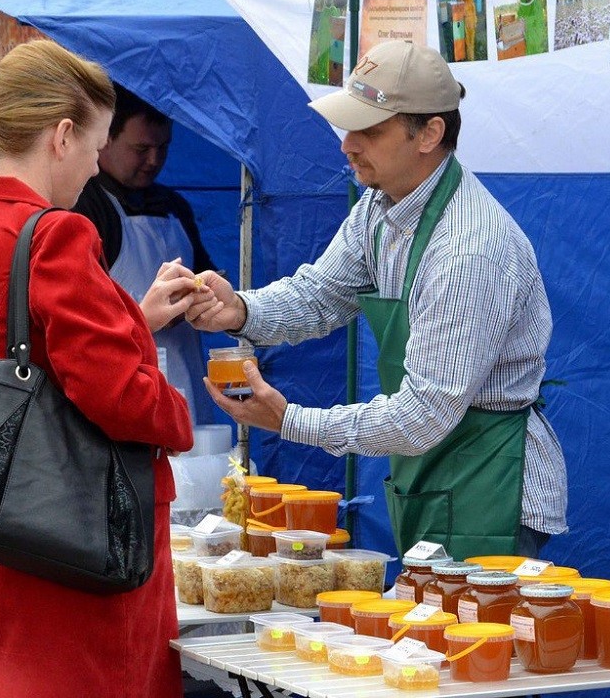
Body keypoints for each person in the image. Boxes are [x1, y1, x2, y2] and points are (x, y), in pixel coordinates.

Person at [189, 40, 568, 561]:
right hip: (431, 470)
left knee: (475, 641)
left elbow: (422, 416)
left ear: (429, 134)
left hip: (491, 482)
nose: (347, 144)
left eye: (369, 130)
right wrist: (242, 310)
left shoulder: (469, 247)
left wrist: (291, 420)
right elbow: (320, 295)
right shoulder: (378, 207)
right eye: (348, 127)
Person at [0, 39, 199, 697]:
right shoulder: (57, 234)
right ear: (63, 135)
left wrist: (133, 319)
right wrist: (178, 412)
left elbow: (39, 357)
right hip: (76, 544)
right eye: (98, 145)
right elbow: (115, 395)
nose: (96, 167)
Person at [73, 85, 216, 424]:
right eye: (141, 149)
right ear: (105, 139)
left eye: (162, 148)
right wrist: (146, 313)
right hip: (126, 384)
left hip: (186, 379)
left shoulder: (174, 206)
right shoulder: (85, 206)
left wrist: (206, 292)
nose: (153, 160)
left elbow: (209, 273)